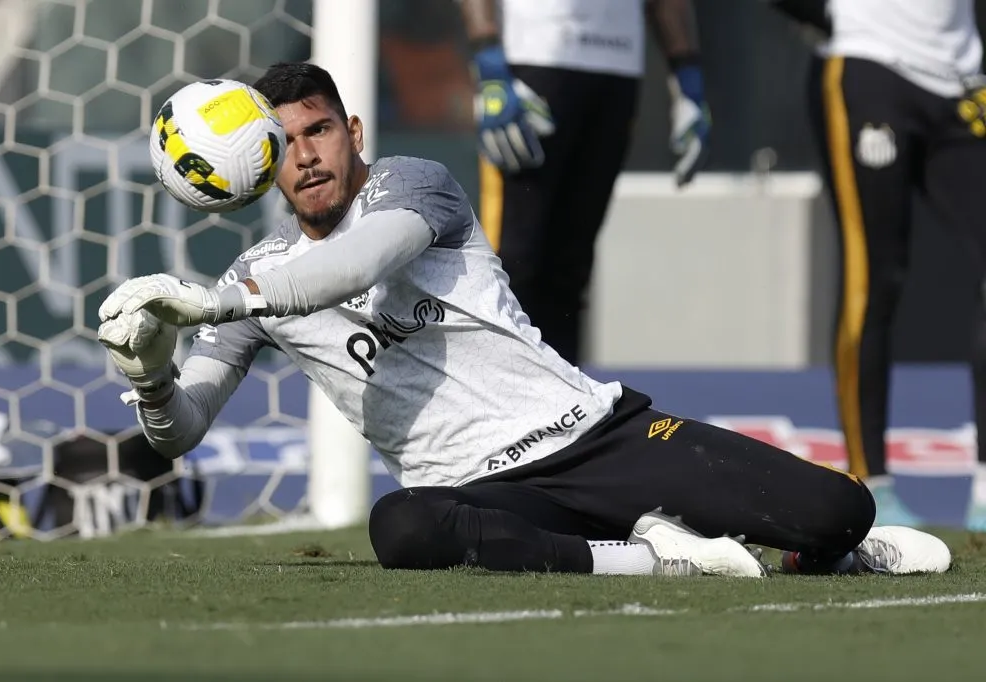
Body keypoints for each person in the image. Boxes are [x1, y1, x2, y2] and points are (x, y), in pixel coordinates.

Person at [97, 61, 950, 577]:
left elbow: (350, 269)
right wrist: (151, 376)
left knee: (843, 512)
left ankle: (810, 553)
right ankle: (652, 557)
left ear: (353, 132)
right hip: (482, 493)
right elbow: (180, 431)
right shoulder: (253, 278)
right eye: (286, 144)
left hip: (595, 438)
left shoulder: (412, 185)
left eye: (320, 131)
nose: (309, 155)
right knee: (402, 525)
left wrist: (212, 301)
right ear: (263, 166)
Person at [769, 0, 986, 529]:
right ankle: (874, 482)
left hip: (963, 79)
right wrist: (833, 16)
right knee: (874, 278)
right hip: (869, 66)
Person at [461, 0, 710, 365]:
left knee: (571, 270)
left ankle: (564, 410)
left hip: (616, 65)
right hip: (534, 53)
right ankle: (492, 408)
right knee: (513, 265)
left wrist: (687, 74)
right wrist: (488, 58)